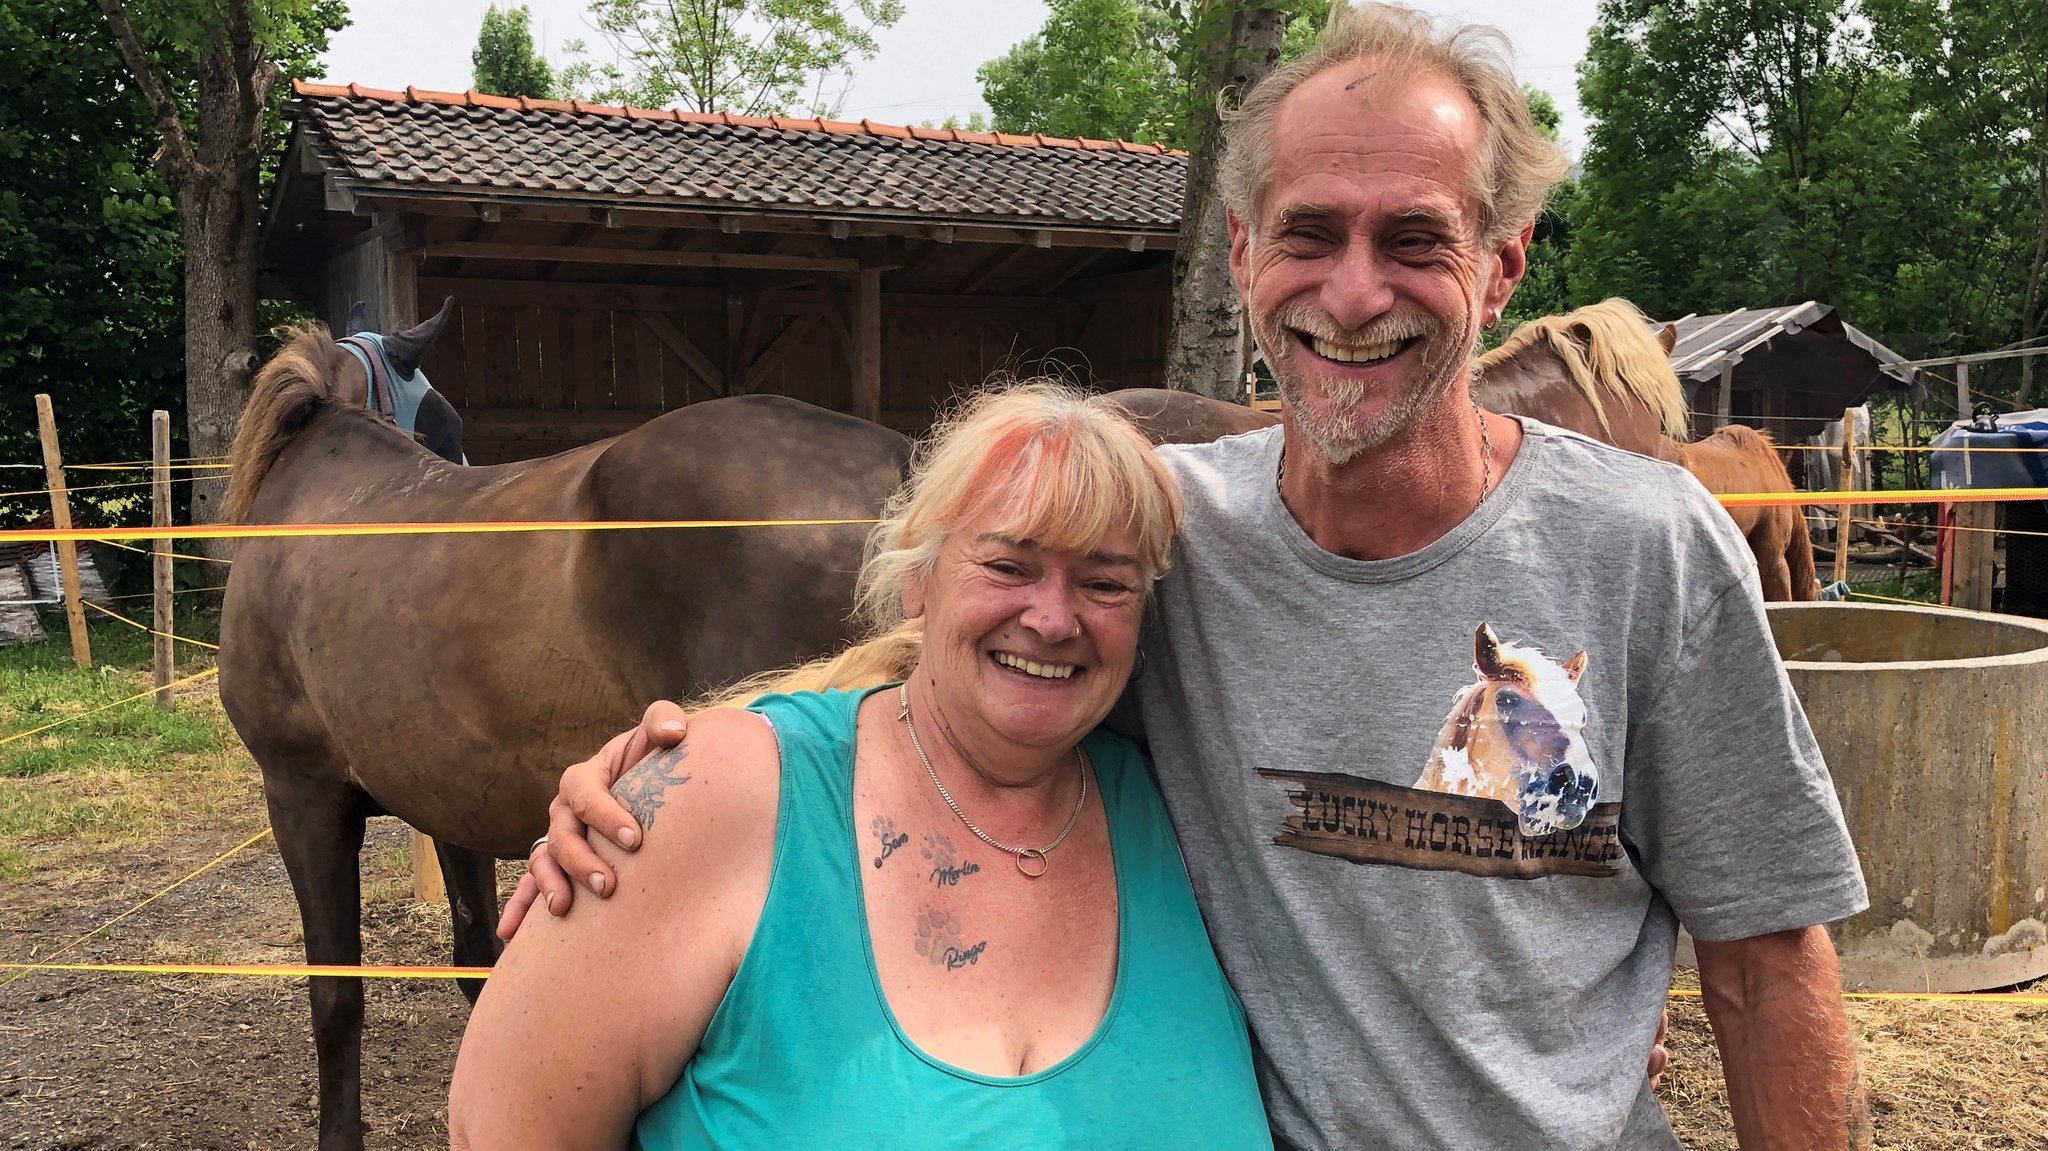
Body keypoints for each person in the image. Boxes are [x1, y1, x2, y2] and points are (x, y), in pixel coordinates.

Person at [511, 4, 1872, 1148]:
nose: (1353, 291)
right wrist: (676, 769)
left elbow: (1766, 970)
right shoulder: (1170, 540)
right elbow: (945, 657)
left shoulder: (1649, 549)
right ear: (1239, 254)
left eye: (1415, 239)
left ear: (1502, 266)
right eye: (1309, 233)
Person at [448, 384, 1275, 1150]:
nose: (1054, 618)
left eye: (1105, 582)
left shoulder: (1185, 806)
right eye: (1007, 565)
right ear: (919, 577)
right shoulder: (721, 794)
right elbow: (502, 1126)